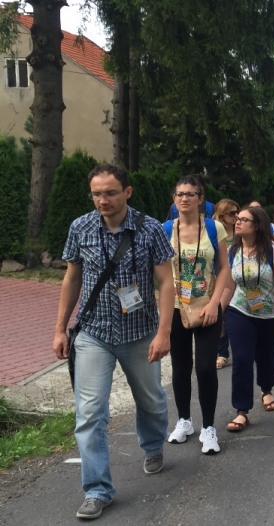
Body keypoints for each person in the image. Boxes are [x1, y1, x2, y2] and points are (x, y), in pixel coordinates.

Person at [52, 164, 175, 520]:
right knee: (90, 412)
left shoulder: (149, 229)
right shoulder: (81, 227)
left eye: (110, 193)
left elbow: (166, 282)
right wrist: (60, 328)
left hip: (140, 332)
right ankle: (97, 489)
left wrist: (164, 332)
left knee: (150, 400)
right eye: (96, 194)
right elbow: (72, 278)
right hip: (94, 333)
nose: (102, 200)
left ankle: (153, 445)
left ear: (127, 192)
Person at [164, 177, 231, 454]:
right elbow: (160, 272)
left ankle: (208, 427)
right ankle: (183, 420)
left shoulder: (214, 228)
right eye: (180, 194)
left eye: (191, 194)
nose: (185, 199)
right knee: (180, 368)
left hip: (206, 306)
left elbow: (225, 268)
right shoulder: (166, 229)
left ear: (200, 198)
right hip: (177, 307)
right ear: (174, 198)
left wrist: (215, 303)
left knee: (205, 367)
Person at [221, 206, 274, 432]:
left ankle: (266, 389)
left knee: (265, 355)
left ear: (257, 225)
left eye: (244, 219)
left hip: (270, 314)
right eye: (237, 218)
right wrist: (219, 312)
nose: (237, 222)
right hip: (239, 310)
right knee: (241, 358)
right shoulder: (233, 251)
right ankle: (242, 410)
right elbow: (229, 285)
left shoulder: (273, 252)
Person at [212, 199, 239, 368]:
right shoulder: (213, 234)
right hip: (218, 279)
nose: (236, 216)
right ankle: (222, 353)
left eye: (237, 212)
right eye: (231, 213)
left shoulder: (241, 234)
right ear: (222, 216)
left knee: (232, 317)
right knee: (220, 315)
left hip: (240, 281)